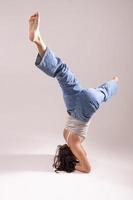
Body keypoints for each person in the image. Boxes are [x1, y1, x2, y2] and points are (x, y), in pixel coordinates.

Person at [28, 12, 119, 173]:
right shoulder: (66, 136)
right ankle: (38, 41)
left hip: (86, 104)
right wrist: (73, 159)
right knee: (61, 72)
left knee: (104, 93)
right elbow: (86, 162)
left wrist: (74, 165)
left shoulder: (74, 141)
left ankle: (115, 82)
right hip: (74, 103)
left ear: (73, 154)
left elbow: (86, 165)